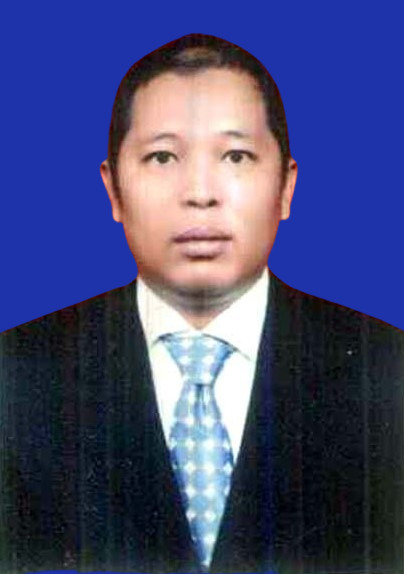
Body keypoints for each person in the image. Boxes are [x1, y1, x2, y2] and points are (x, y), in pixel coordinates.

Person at [1, 33, 403, 574]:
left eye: (235, 156)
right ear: (113, 190)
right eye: (162, 156)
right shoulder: (16, 377)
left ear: (286, 187)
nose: (200, 193)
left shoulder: (389, 371)